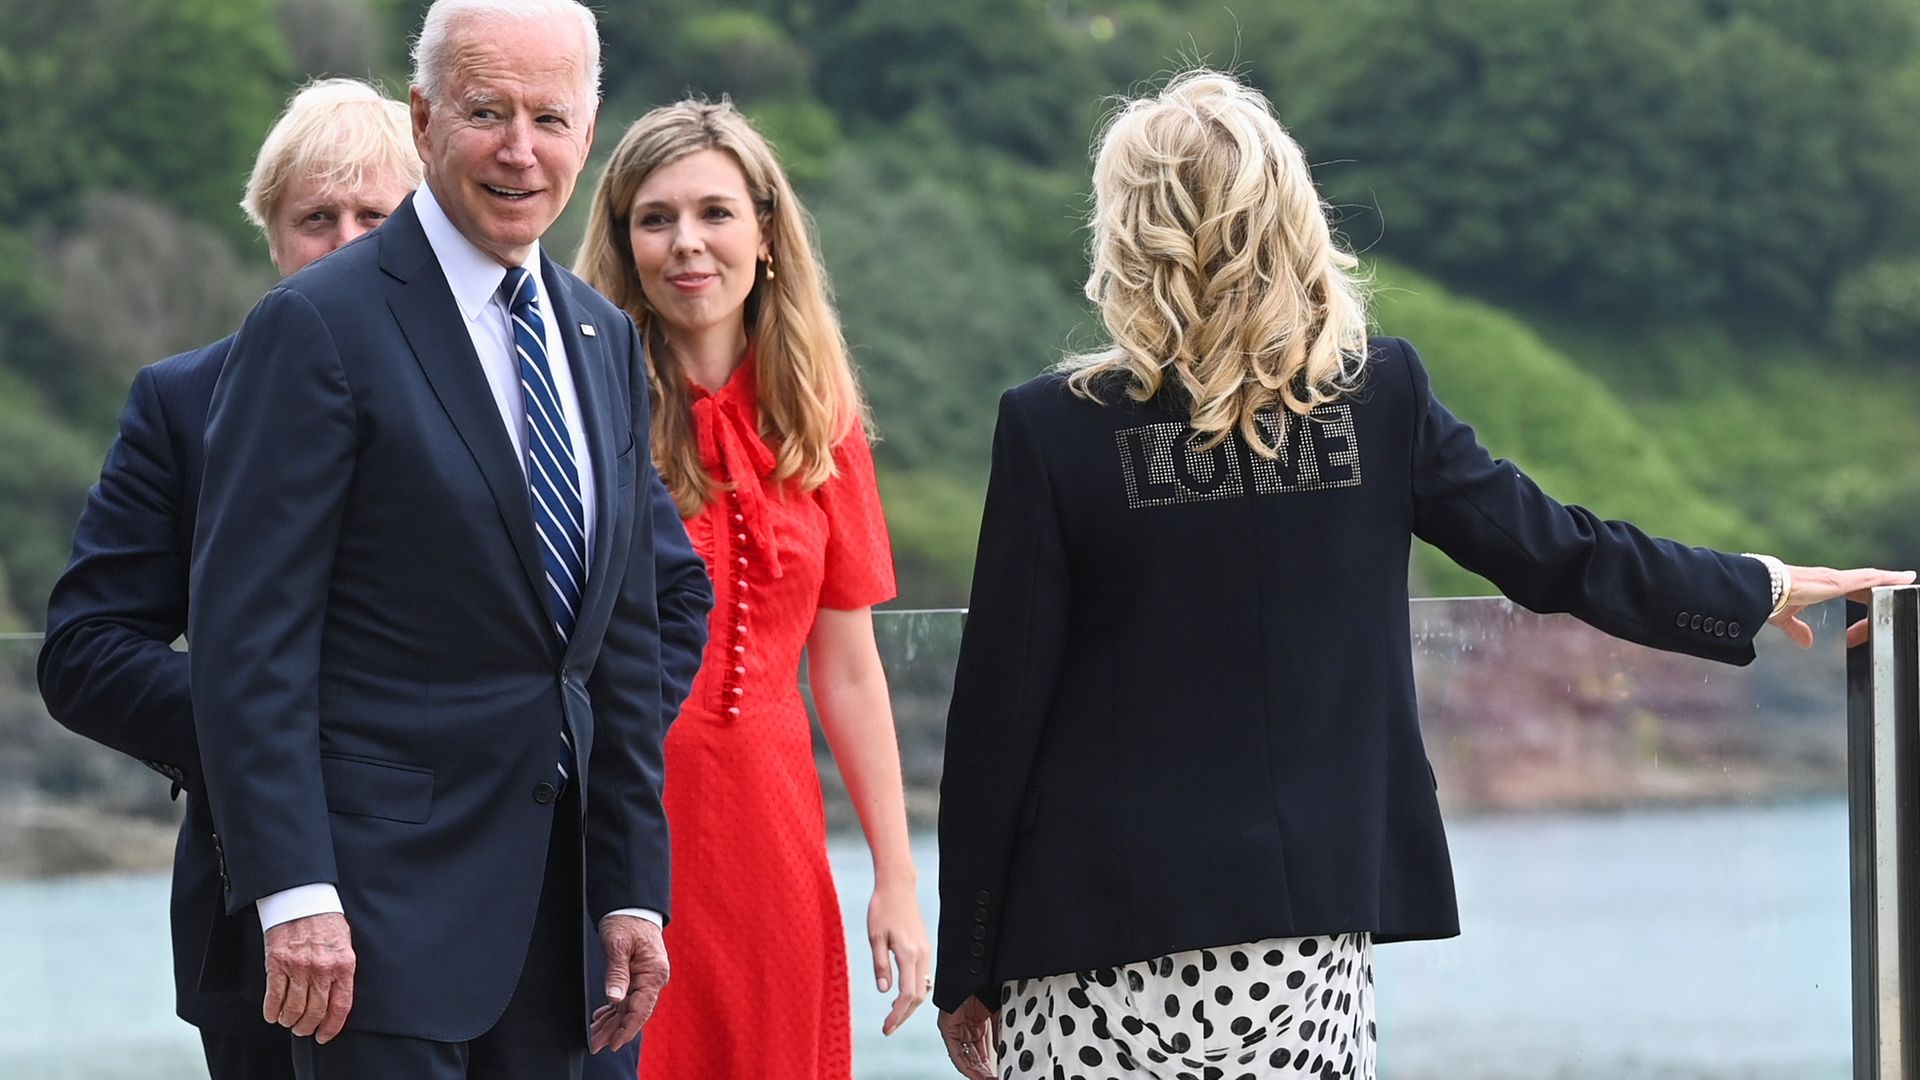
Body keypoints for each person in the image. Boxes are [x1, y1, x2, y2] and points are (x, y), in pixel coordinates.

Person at [930, 69, 1915, 1080]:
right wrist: (1750, 587)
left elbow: (998, 715)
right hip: (1300, 938)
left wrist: (965, 963)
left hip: (1091, 935)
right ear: (1289, 218)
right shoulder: (1376, 397)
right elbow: (1556, 552)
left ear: (1128, 233)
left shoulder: (1052, 428)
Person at [185, 2, 713, 1077]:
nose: (521, 149)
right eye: (486, 111)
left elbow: (616, 643)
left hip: (565, 931)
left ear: (590, 130)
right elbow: (251, 640)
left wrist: (629, 887)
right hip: (370, 926)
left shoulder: (603, 340)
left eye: (551, 118)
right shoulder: (319, 325)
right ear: (424, 119)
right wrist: (295, 892)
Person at [37, 76, 421, 1080]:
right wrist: (270, 733)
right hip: (255, 915)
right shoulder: (181, 401)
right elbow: (85, 654)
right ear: (272, 239)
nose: (345, 242)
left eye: (375, 217)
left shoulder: (506, 395)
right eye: (315, 219)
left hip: (479, 890)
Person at [573, 98, 929, 1079]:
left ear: (766, 233)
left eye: (715, 213)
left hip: (776, 837)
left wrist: (895, 879)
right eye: (655, 218)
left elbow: (849, 671)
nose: (687, 243)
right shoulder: (584, 407)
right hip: (622, 827)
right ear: (624, 243)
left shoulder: (822, 417)